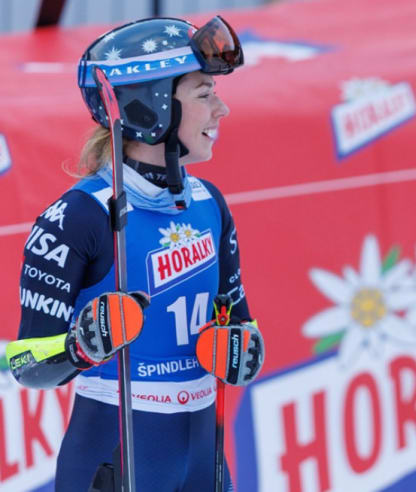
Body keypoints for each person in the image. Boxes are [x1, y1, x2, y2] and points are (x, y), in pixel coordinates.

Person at [6, 16, 264, 492]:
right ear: (151, 107)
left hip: (205, 458)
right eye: (205, 93)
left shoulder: (210, 202)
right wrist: (81, 346)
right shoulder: (78, 217)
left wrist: (243, 348)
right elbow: (23, 362)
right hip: (113, 456)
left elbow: (240, 322)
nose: (221, 108)